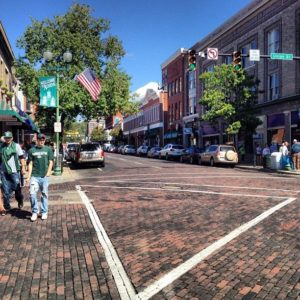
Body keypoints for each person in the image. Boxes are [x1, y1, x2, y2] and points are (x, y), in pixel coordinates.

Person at [26, 133, 53, 222]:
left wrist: (49, 171)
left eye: (43, 140)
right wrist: (28, 176)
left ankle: (44, 212)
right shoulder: (31, 150)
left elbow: (51, 162)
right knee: (32, 194)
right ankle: (35, 211)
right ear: (36, 140)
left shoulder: (48, 149)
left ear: (44, 140)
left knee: (44, 194)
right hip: (34, 176)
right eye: (40, 140)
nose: (41, 141)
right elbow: (30, 163)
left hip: (44, 176)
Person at [0, 131, 26, 214]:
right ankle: (6, 207)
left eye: (9, 138)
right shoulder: (1, 146)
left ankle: (20, 199)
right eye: (6, 138)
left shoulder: (16, 146)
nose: (7, 139)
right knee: (5, 190)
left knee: (17, 187)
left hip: (14, 170)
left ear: (12, 138)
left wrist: (23, 168)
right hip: (4, 171)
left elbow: (21, 157)